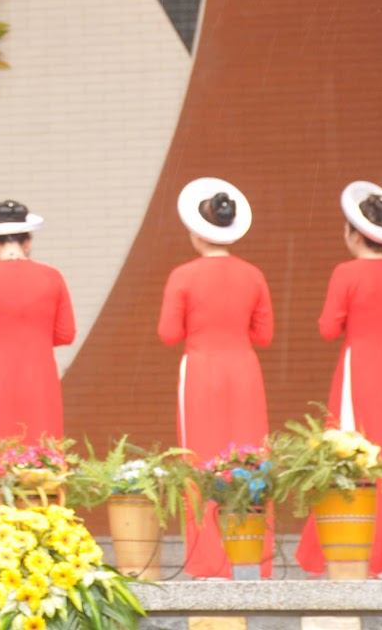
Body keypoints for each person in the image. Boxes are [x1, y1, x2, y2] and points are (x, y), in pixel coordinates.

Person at [295, 182, 382, 580]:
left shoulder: (345, 273)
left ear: (354, 233)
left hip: (359, 368)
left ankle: (357, 553)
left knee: (355, 454)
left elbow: (328, 328)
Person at [159, 178, 274, 580]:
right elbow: (264, 336)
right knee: (251, 459)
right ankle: (253, 558)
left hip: (201, 371)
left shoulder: (183, 275)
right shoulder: (253, 275)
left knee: (202, 462)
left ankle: (209, 563)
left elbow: (168, 334)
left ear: (197, 230)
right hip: (245, 371)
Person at [0, 201, 75, 448]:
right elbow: (66, 334)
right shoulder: (52, 276)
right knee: (43, 439)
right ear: (28, 242)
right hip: (40, 370)